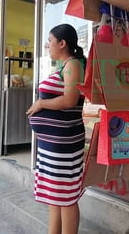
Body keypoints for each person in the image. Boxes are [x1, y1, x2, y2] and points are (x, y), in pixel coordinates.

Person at [27, 23, 86, 234]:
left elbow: (70, 100)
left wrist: (41, 104)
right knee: (55, 195)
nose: (47, 46)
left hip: (64, 144)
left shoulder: (73, 65)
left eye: (50, 41)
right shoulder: (64, 67)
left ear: (62, 43)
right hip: (52, 144)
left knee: (66, 196)